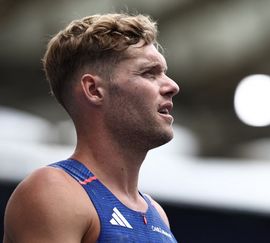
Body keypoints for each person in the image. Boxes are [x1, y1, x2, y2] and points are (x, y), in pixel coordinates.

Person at [3, 13, 180, 243]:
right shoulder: (55, 192)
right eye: (149, 73)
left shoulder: (157, 215)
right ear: (94, 90)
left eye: (164, 73)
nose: (172, 86)